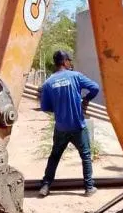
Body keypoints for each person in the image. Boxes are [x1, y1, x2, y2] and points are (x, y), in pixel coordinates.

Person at [38, 50, 100, 197]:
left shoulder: (48, 83)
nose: (70, 63)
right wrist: (86, 99)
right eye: (69, 61)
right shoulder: (76, 76)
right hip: (78, 126)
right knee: (85, 155)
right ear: (65, 61)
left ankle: (45, 186)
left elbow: (45, 107)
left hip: (61, 128)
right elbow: (95, 88)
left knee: (55, 156)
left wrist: (60, 107)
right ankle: (89, 188)